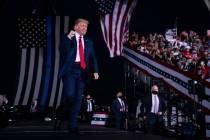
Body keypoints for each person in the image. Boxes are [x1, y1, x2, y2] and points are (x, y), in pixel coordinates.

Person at [58, 18, 99, 135]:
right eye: (82, 26)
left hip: (82, 72)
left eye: (86, 27)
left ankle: (73, 126)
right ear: (75, 27)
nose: (84, 28)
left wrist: (96, 70)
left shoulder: (89, 41)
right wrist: (67, 38)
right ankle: (61, 112)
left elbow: (93, 57)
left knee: (78, 99)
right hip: (70, 70)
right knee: (70, 95)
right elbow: (62, 50)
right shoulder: (68, 37)